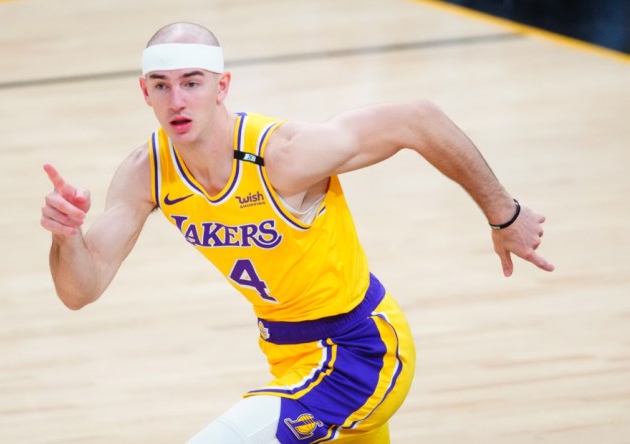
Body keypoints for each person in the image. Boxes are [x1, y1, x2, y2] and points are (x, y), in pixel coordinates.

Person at [40, 22, 554, 444]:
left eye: (192, 81)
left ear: (222, 86)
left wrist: (504, 215)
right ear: (144, 92)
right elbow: (80, 289)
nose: (177, 99)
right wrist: (67, 237)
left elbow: (418, 119)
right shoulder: (145, 171)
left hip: (360, 353)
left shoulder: (281, 156)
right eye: (162, 85)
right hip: (289, 358)